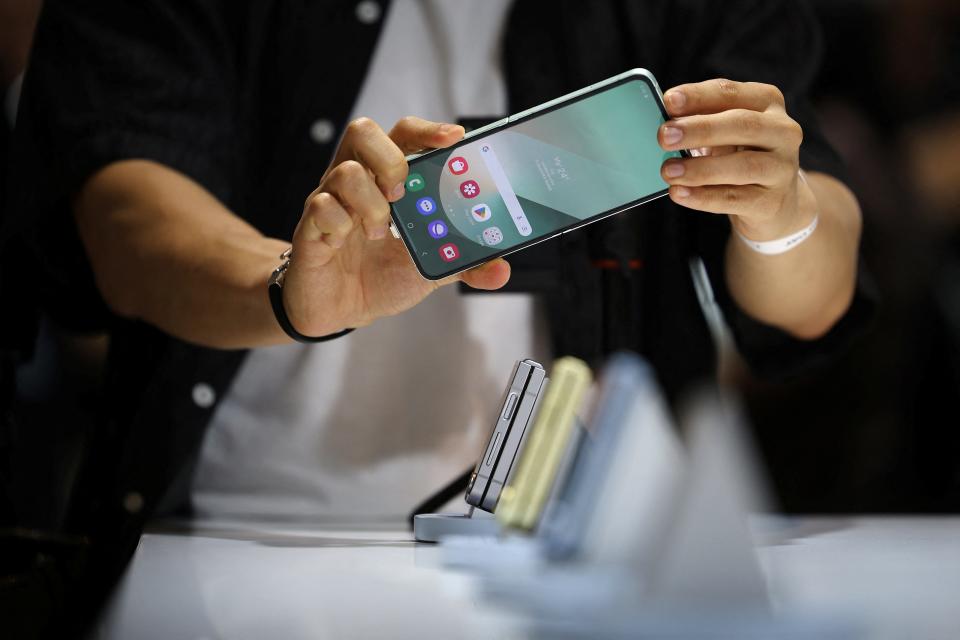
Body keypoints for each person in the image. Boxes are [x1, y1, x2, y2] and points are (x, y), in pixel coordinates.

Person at [2, 0, 869, 632]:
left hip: (569, 572)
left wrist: (780, 213)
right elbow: (125, 210)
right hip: (224, 538)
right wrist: (288, 288)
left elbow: (816, 293)